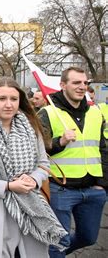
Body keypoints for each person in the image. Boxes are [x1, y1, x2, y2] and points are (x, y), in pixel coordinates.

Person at [0, 77, 67, 258]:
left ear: (20, 101)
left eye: (14, 99)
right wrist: (8, 186)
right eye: (2, 99)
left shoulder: (31, 127)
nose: (8, 104)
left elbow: (43, 164)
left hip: (31, 206)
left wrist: (33, 179)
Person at [38, 67, 108, 258]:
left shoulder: (95, 113)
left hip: (93, 189)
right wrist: (59, 141)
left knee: (89, 237)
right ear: (62, 85)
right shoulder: (48, 113)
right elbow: (38, 149)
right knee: (59, 243)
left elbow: (103, 149)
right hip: (61, 188)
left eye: (85, 83)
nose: (82, 87)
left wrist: (103, 184)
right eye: (76, 82)